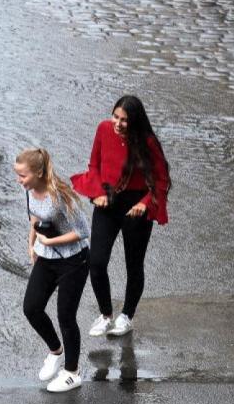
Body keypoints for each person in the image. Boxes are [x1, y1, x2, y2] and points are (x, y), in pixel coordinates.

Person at [71, 95, 171, 338]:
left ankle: (126, 316)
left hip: (135, 207)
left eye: (124, 120)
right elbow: (93, 166)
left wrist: (145, 203)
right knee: (96, 262)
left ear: (134, 121)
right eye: (115, 116)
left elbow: (162, 180)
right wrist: (96, 194)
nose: (117, 123)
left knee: (133, 265)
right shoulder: (103, 129)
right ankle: (105, 315)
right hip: (107, 202)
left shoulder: (147, 142)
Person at [15, 148, 91, 393]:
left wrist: (48, 242)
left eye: (23, 176)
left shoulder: (59, 195)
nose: (19, 180)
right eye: (18, 175)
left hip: (73, 260)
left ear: (38, 173)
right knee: (32, 308)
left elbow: (82, 231)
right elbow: (34, 219)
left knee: (66, 316)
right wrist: (31, 243)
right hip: (46, 258)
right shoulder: (29, 192)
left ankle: (72, 373)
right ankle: (55, 351)